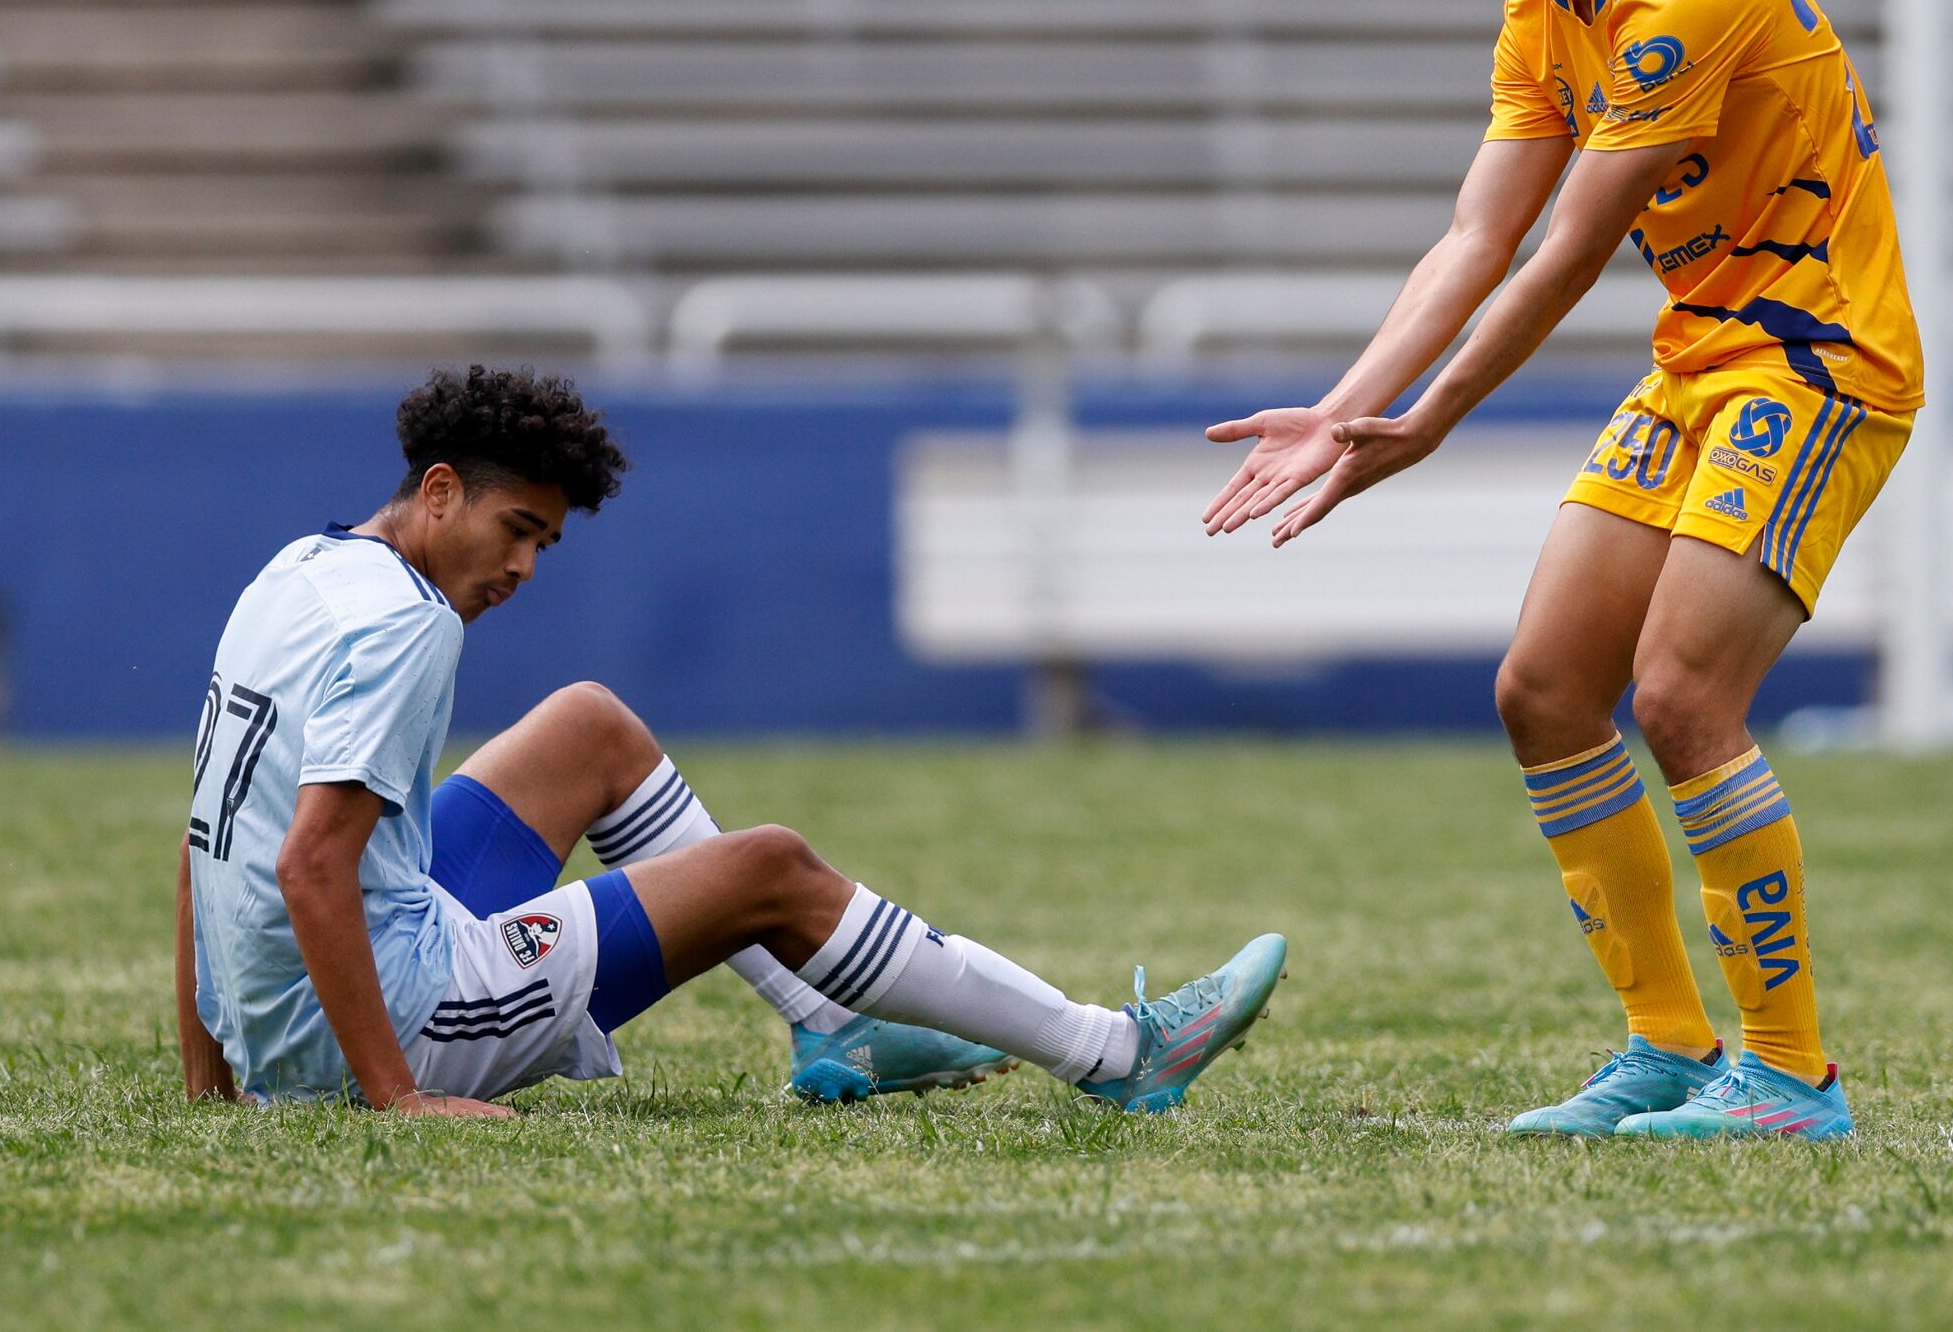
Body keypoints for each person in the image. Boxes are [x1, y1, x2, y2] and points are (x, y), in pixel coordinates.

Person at [1202, 0, 1916, 1141]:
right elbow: (1476, 236)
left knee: (1682, 700)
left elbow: (1565, 254)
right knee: (1542, 689)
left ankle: (1788, 1081)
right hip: (1701, 362)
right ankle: (1665, 1046)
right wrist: (1352, 409)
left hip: (1817, 363)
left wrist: (1430, 423)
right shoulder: (1542, 12)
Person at [178, 363, 1285, 1116]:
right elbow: (308, 860)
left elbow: (205, 834)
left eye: (544, 547)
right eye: (516, 531)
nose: (521, 570)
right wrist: (395, 1097)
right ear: (437, 491)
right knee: (769, 868)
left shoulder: (297, 572)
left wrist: (210, 1080)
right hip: (385, 1026)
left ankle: (827, 1025)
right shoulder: (404, 623)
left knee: (587, 725)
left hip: (289, 1025)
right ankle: (1115, 1055)